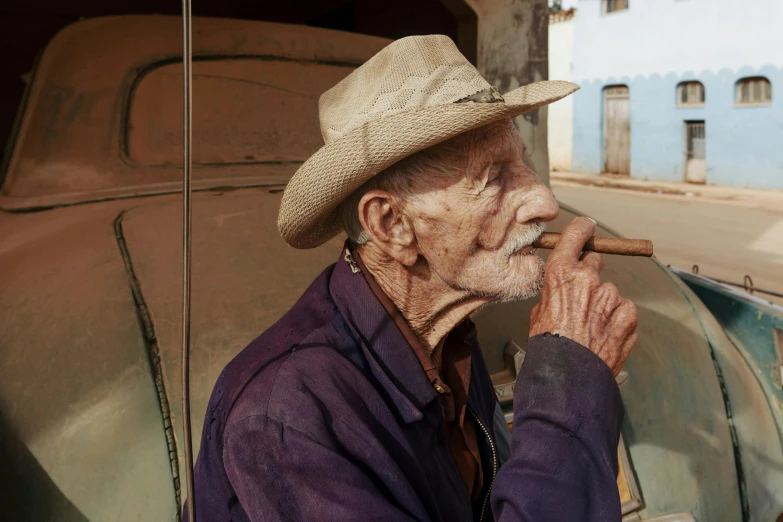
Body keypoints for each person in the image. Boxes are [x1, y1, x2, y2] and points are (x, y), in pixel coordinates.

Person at [188, 35, 637, 522]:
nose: (544, 203)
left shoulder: (449, 340)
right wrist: (566, 383)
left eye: (521, 162)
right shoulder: (289, 418)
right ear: (391, 225)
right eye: (494, 177)